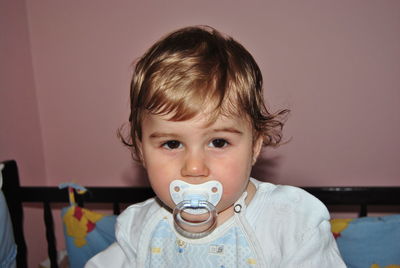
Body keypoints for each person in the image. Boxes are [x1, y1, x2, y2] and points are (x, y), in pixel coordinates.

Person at [86, 25, 345, 267]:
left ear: (255, 146)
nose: (194, 168)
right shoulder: (138, 228)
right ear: (141, 151)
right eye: (172, 143)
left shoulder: (292, 222)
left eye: (218, 142)